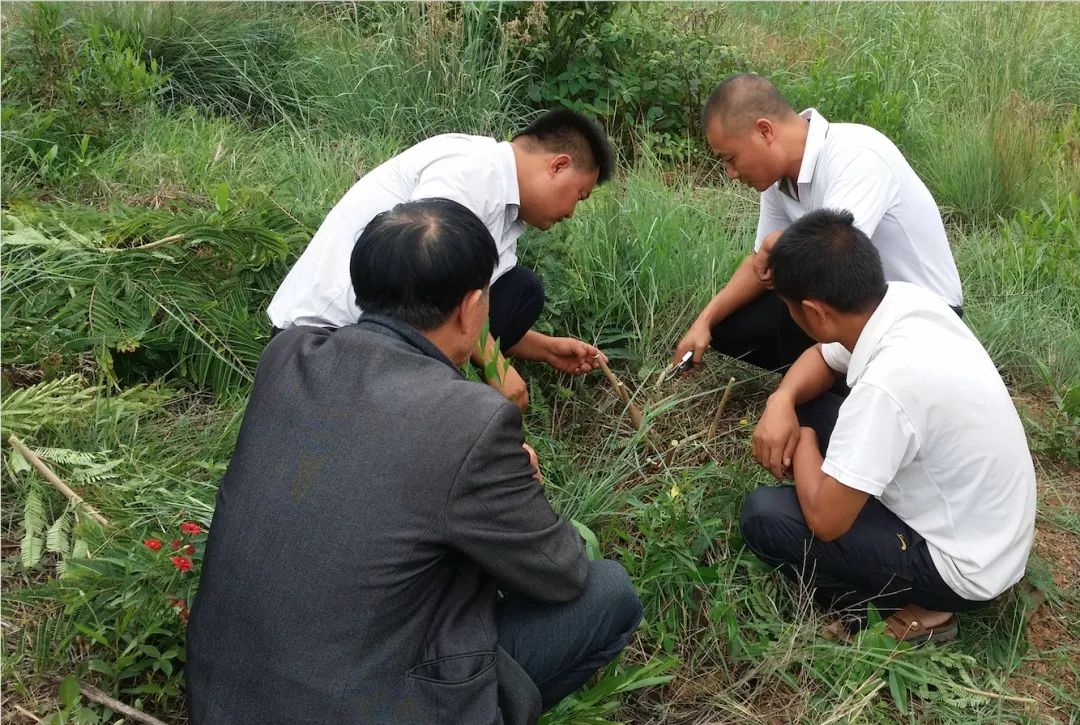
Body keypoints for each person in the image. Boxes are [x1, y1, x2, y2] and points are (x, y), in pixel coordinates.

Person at [186, 199, 642, 725]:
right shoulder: (473, 420)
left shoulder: (286, 356)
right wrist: (516, 484)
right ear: (473, 308)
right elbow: (559, 573)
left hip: (221, 699)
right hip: (361, 708)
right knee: (608, 592)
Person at [738, 209, 1035, 643]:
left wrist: (804, 443)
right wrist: (780, 400)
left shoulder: (886, 388)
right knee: (805, 402)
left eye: (788, 308)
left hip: (964, 564)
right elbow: (821, 357)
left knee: (766, 518)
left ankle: (919, 609)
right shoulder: (903, 302)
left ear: (815, 313)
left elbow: (825, 521)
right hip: (990, 524)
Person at [268, 108, 616, 411]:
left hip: (381, 332)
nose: (572, 212)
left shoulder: (506, 211)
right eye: (580, 196)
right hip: (322, 343)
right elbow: (423, 288)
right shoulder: (472, 174)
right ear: (558, 165)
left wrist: (546, 349)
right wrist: (497, 370)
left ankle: (439, 407)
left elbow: (466, 309)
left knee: (519, 289)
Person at [673, 73, 963, 374]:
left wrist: (778, 245)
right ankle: (817, 380)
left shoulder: (855, 155)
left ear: (764, 131)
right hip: (851, 304)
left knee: (797, 290)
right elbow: (761, 264)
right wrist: (704, 321)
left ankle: (823, 397)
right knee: (728, 326)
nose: (730, 173)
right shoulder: (777, 181)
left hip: (921, 316)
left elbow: (832, 263)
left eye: (731, 158)